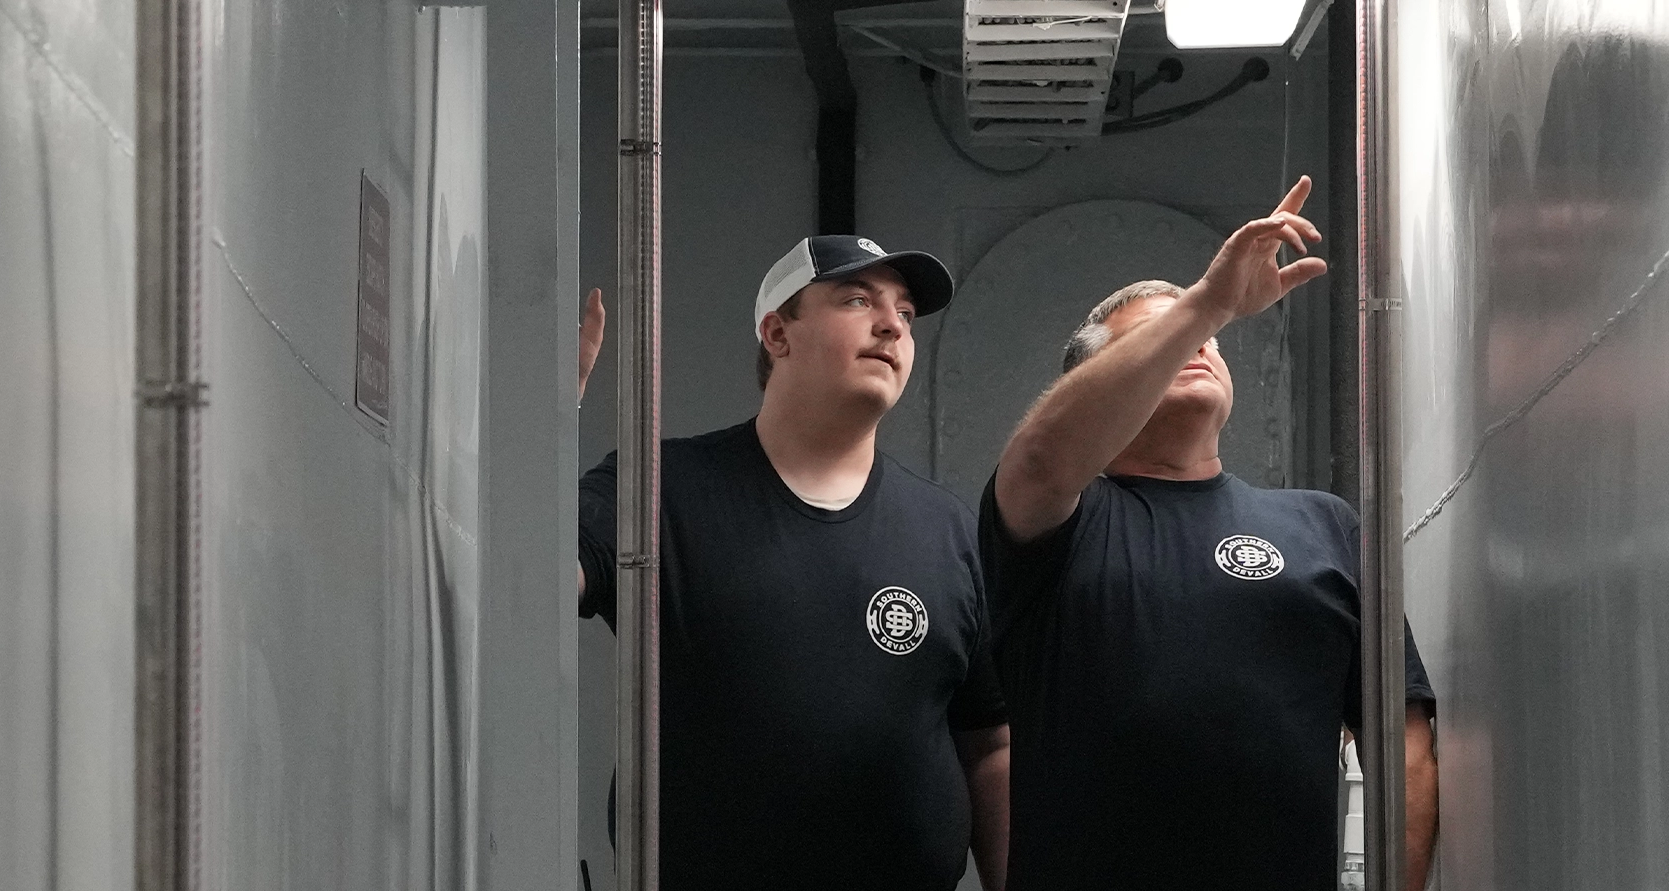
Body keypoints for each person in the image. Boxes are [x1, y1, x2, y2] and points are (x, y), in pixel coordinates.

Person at [978, 178, 1439, 891]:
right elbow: (1040, 457)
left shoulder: (1323, 525)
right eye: (1164, 340)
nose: (1197, 343)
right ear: (1099, 381)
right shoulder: (1053, 523)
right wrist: (1208, 301)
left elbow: (1401, 738)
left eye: (1209, 338)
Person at [577, 235, 1010, 890]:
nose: (892, 323)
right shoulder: (658, 487)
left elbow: (989, 745)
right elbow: (535, 579)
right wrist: (545, 423)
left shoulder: (949, 530)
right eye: (857, 299)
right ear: (777, 333)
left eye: (905, 312)